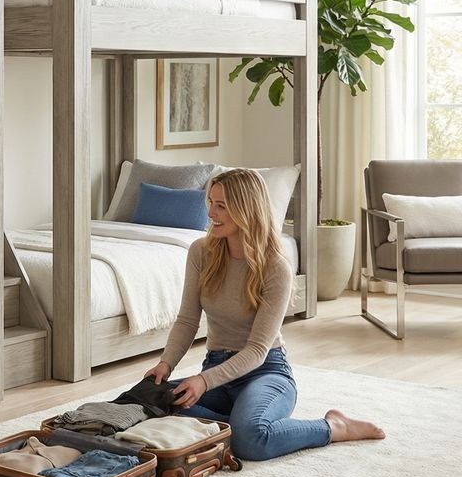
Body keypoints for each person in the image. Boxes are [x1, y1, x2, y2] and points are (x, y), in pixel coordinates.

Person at [144, 168, 384, 461]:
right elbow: (187, 320)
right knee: (150, 402)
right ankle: (236, 418)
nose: (211, 213)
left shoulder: (276, 266)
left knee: (250, 440)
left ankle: (333, 427)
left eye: (221, 206)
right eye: (210, 202)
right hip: (217, 367)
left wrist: (203, 382)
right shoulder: (201, 252)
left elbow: (257, 350)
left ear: (246, 209)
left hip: (266, 372)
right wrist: (165, 365)